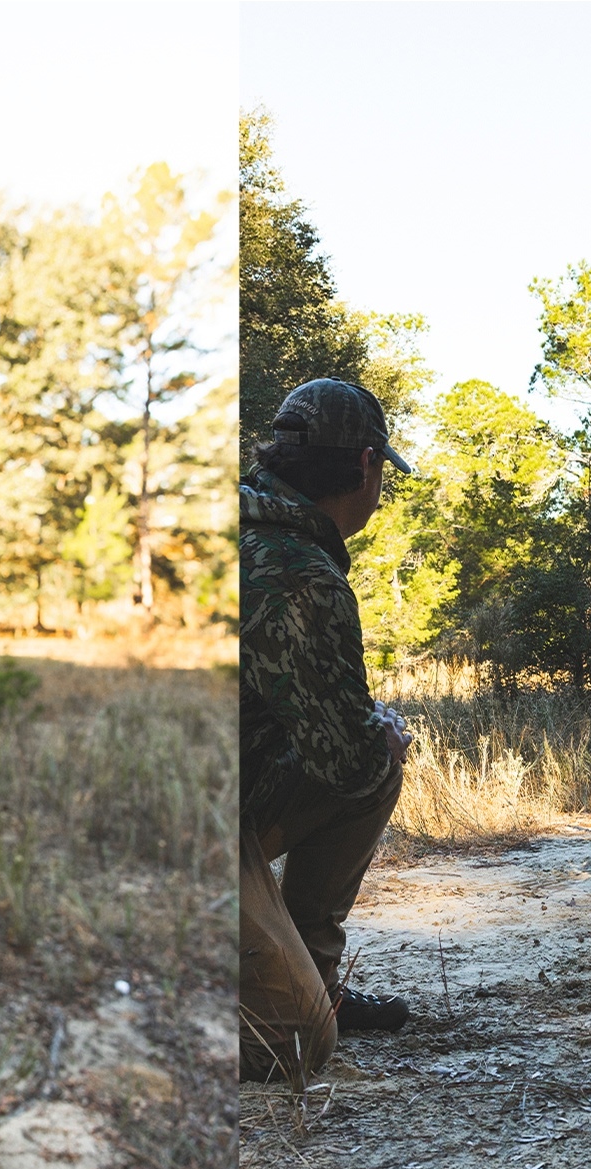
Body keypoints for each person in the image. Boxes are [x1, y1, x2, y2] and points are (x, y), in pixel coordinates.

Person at [239, 377, 417, 1083]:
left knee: (373, 753)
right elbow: (346, 763)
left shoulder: (251, 528)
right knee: (290, 1044)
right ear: (368, 466)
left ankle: (318, 982)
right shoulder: (297, 571)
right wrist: (377, 736)